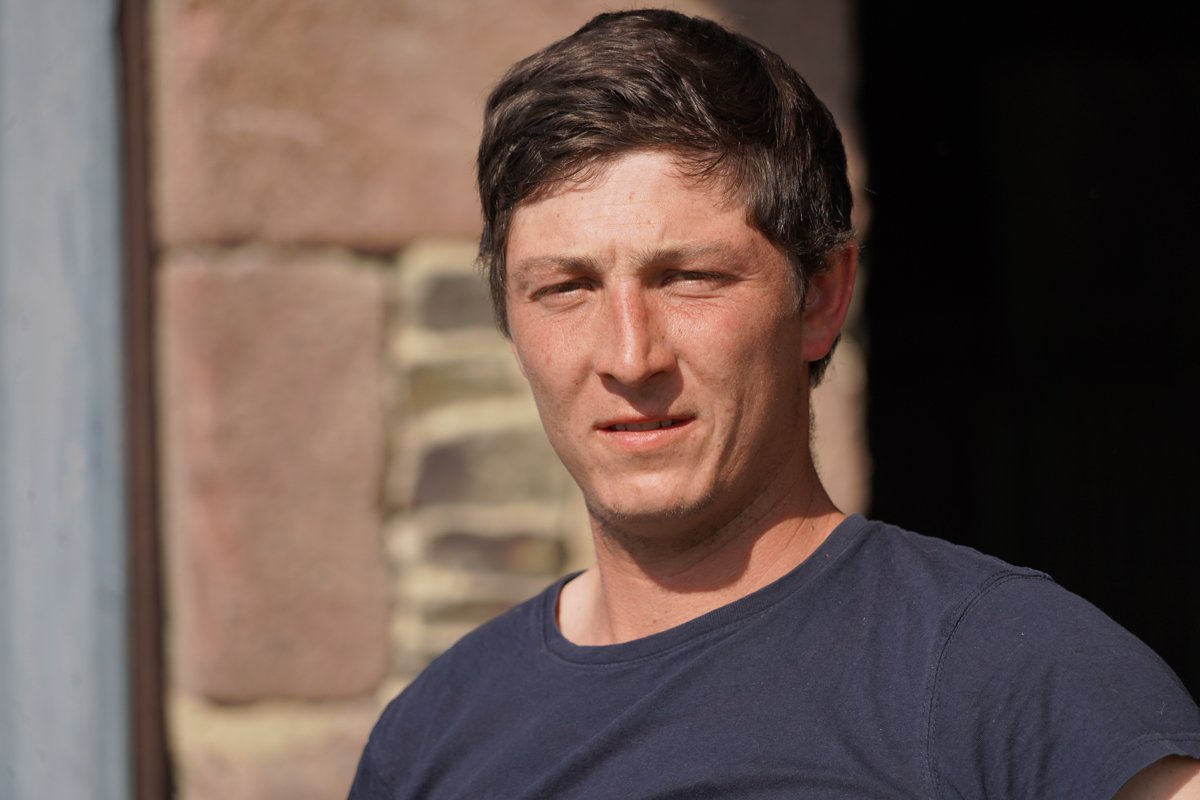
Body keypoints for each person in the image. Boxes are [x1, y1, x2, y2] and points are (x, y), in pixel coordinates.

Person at [350, 9, 1200, 798]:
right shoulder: (431, 739)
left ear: (821, 296)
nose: (629, 357)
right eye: (565, 288)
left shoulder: (1015, 677)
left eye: (689, 278)